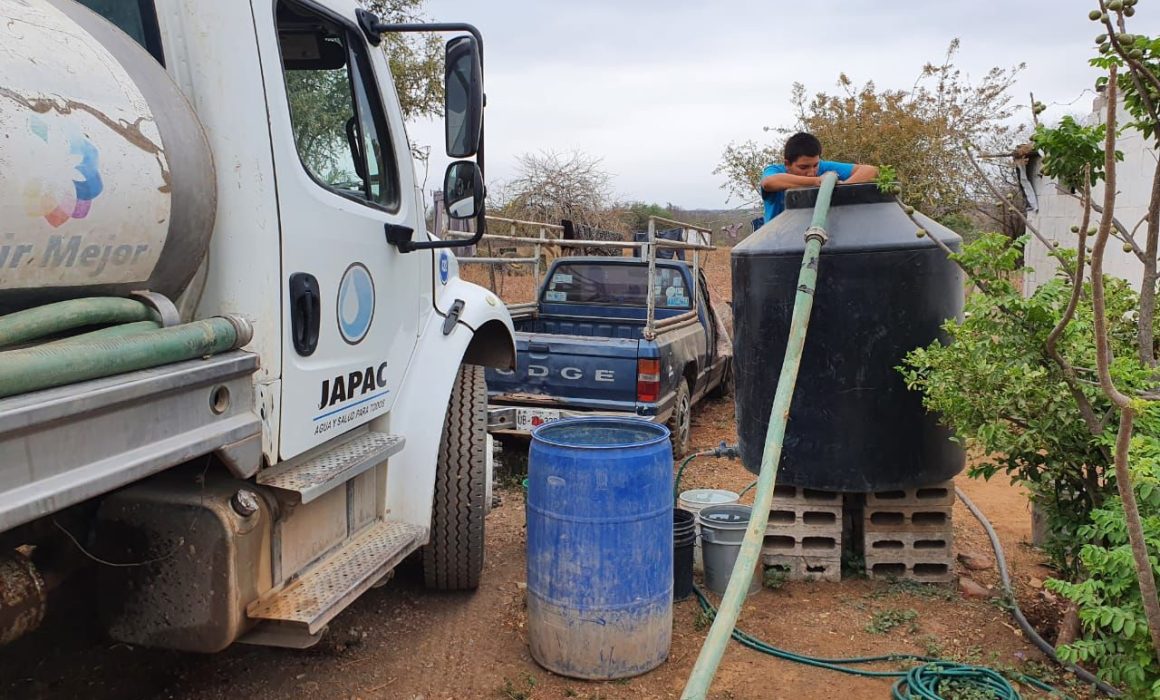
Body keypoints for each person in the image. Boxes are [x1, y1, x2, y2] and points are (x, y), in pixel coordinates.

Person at [759, 132, 878, 223]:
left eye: (815, 165)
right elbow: (769, 182)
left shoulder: (824, 168)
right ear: (787, 164)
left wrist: (843, 189)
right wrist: (818, 181)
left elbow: (870, 170)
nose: (811, 172)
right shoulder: (775, 171)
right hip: (778, 240)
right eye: (803, 167)